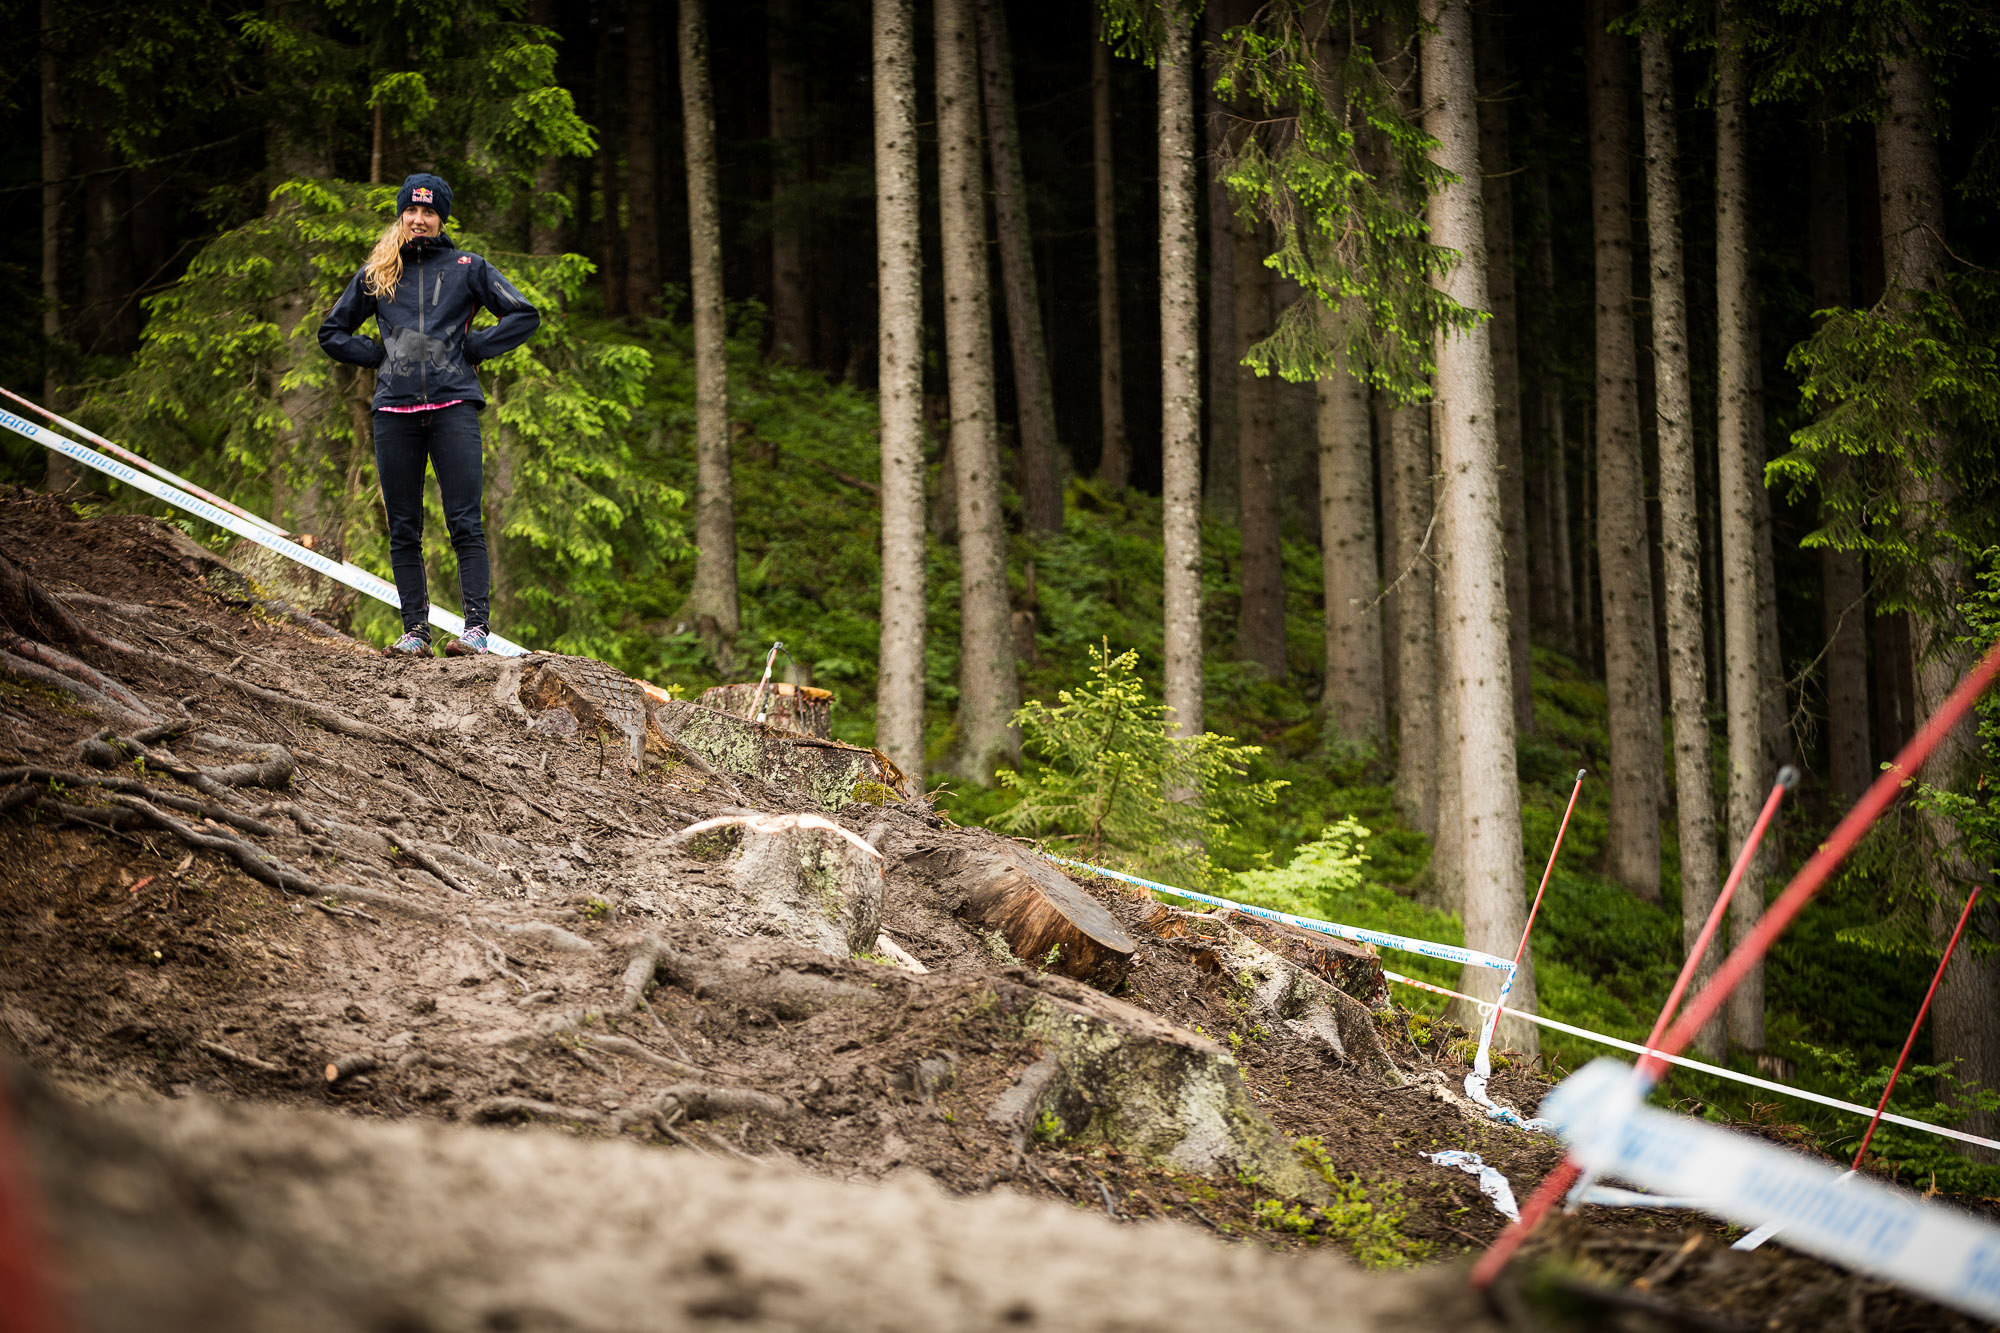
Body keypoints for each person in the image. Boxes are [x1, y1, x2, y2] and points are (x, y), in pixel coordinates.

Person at [318, 172, 540, 657]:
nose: (419, 219)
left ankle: (475, 632)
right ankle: (415, 632)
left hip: (453, 406)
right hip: (393, 412)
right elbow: (331, 332)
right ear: (402, 215)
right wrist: (378, 355)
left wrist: (473, 346)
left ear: (441, 218)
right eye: (412, 211)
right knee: (404, 525)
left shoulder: (468, 266)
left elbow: (523, 314)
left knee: (465, 521)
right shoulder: (379, 271)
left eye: (429, 212)